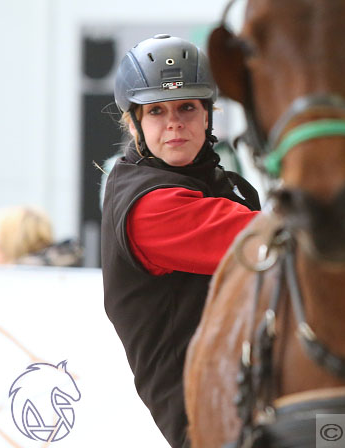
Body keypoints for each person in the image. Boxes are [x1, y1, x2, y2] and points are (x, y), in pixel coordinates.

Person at [100, 34, 261, 448]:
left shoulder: (210, 179)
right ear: (134, 122)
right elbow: (277, 246)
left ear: (207, 115)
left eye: (187, 107)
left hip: (262, 395)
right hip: (221, 425)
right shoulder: (151, 207)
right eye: (156, 111)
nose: (174, 122)